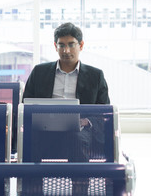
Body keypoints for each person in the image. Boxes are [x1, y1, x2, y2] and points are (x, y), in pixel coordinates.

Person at [23, 22, 110, 162]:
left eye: (71, 44)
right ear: (55, 46)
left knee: (76, 140)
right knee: (31, 140)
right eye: (61, 45)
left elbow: (104, 112)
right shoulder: (39, 73)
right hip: (43, 129)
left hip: (79, 131)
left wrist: (85, 121)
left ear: (81, 45)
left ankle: (79, 184)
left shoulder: (95, 76)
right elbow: (25, 105)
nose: (66, 51)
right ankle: (33, 185)